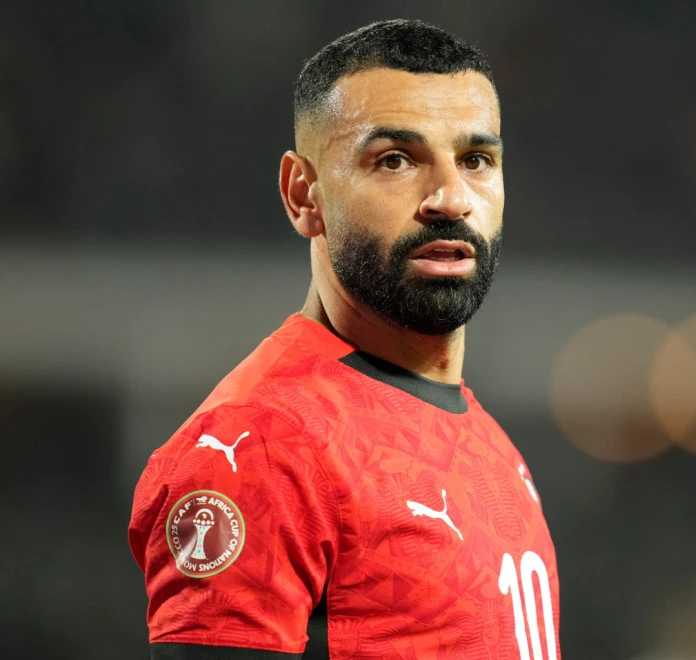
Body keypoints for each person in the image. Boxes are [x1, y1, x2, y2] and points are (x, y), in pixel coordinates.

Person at [128, 19, 560, 660]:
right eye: (395, 160)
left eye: (476, 160)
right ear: (303, 195)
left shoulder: (483, 436)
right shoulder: (258, 447)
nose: (450, 198)